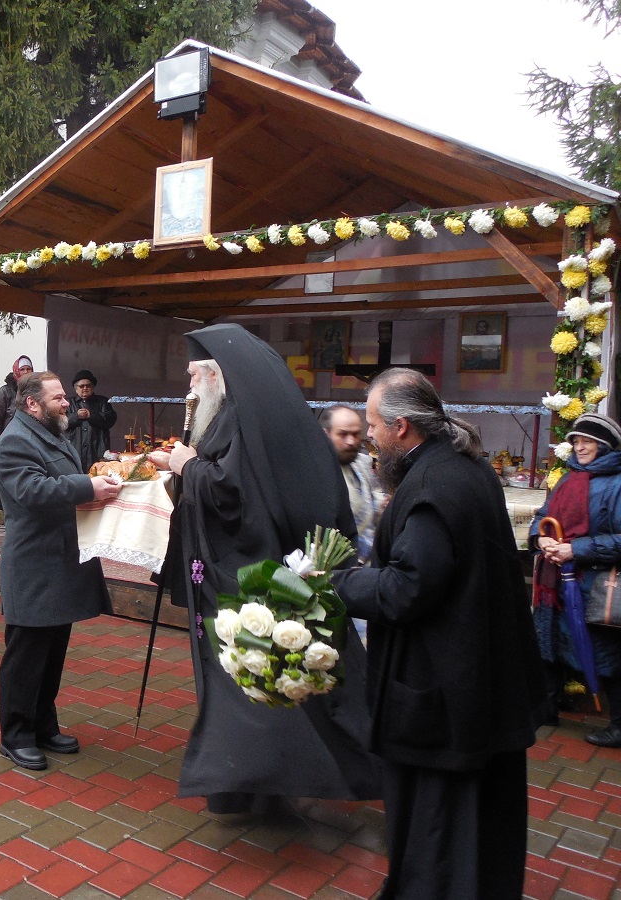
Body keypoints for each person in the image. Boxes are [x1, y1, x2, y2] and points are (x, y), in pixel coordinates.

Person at [331, 368, 545, 899]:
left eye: (374, 425)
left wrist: (340, 582)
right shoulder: (463, 466)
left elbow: (407, 589)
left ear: (402, 426)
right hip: (477, 676)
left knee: (438, 825)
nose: (370, 437)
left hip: (442, 691)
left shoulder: (432, 487)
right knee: (476, 820)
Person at [149, 324, 380, 814]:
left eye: (193, 375)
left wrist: (187, 465)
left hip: (243, 578)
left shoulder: (239, 419)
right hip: (232, 574)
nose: (189, 384)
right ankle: (241, 786)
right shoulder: (238, 415)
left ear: (216, 376)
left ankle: (257, 780)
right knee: (242, 684)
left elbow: (235, 496)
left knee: (250, 682)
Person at [0, 371, 122, 770]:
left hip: (60, 559)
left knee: (51, 654)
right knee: (26, 656)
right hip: (34, 564)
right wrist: (88, 487)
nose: (67, 402)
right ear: (32, 404)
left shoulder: (51, 432)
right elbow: (33, 492)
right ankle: (16, 736)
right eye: (58, 398)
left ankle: (43, 726)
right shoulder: (15, 441)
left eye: (65, 396)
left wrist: (98, 478)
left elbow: (64, 477)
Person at [530, 412, 621, 747]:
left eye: (587, 442)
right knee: (548, 642)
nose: (580, 448)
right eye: (576, 442)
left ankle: (619, 725)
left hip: (594, 586)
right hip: (555, 582)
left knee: (605, 654)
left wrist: (575, 549)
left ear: (604, 445)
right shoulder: (568, 479)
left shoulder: (618, 483)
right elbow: (543, 516)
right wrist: (541, 539)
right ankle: (547, 707)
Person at [320, 404, 382, 566]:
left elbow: (376, 504)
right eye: (343, 434)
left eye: (356, 434)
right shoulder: (316, 474)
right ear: (326, 435)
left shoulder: (363, 463)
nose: (351, 441)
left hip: (370, 567)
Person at [68, 369, 118, 472]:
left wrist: (91, 415)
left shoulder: (103, 401)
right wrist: (76, 416)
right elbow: (61, 423)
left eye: (88, 385)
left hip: (97, 450)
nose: (85, 388)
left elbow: (111, 420)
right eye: (81, 386)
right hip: (74, 451)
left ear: (93, 387)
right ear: (76, 388)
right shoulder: (68, 403)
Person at [0, 356, 33, 446]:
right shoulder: (5, 391)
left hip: (29, 443)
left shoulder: (35, 391)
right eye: (22, 369)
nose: (26, 372)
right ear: (16, 371)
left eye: (28, 369)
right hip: (9, 442)